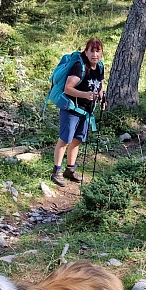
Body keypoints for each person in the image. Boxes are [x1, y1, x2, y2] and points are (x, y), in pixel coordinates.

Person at [52, 38, 104, 187]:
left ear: (101, 53)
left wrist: (102, 96)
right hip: (71, 109)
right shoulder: (78, 67)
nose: (95, 54)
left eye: (98, 51)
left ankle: (70, 170)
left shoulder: (100, 67)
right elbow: (68, 88)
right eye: (92, 51)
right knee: (65, 140)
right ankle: (56, 171)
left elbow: (100, 84)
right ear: (86, 52)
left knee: (77, 140)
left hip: (86, 111)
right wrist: (85, 95)